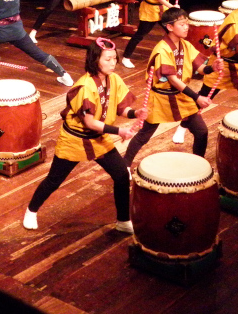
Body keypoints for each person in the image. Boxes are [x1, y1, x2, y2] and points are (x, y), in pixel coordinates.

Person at [22, 38, 146, 233]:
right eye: (107, 59)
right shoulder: (85, 86)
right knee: (55, 180)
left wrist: (135, 113)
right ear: (95, 60)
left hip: (98, 138)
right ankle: (31, 210)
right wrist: (120, 131)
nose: (113, 63)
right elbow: (89, 123)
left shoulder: (114, 79)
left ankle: (123, 220)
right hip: (75, 139)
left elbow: (121, 108)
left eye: (114, 58)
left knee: (122, 175)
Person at [123, 8, 218, 165]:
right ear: (169, 27)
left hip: (181, 97)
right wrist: (197, 97)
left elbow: (201, 68)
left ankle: (199, 164)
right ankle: (125, 165)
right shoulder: (162, 50)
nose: (186, 27)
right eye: (182, 24)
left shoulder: (185, 45)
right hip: (161, 98)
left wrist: (212, 68)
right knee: (144, 135)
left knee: (201, 131)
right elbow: (173, 80)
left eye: (187, 23)